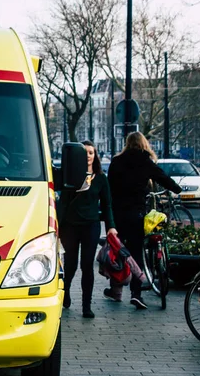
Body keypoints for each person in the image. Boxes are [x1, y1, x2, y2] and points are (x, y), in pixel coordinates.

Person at [106, 131, 182, 309]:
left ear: (127, 143)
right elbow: (163, 178)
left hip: (118, 214)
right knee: (136, 252)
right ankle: (136, 293)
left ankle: (116, 290)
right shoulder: (145, 161)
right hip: (137, 213)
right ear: (144, 144)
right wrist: (177, 190)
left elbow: (109, 188)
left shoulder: (117, 162)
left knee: (117, 252)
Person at [57, 140, 117, 318]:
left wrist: (111, 227)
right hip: (70, 226)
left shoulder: (100, 178)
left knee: (87, 266)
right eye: (85, 153)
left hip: (91, 226)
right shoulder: (70, 176)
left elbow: (107, 205)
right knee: (70, 265)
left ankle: (86, 306)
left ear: (95, 155)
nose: (88, 156)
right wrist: (57, 228)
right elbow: (63, 203)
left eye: (91, 152)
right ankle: (66, 292)